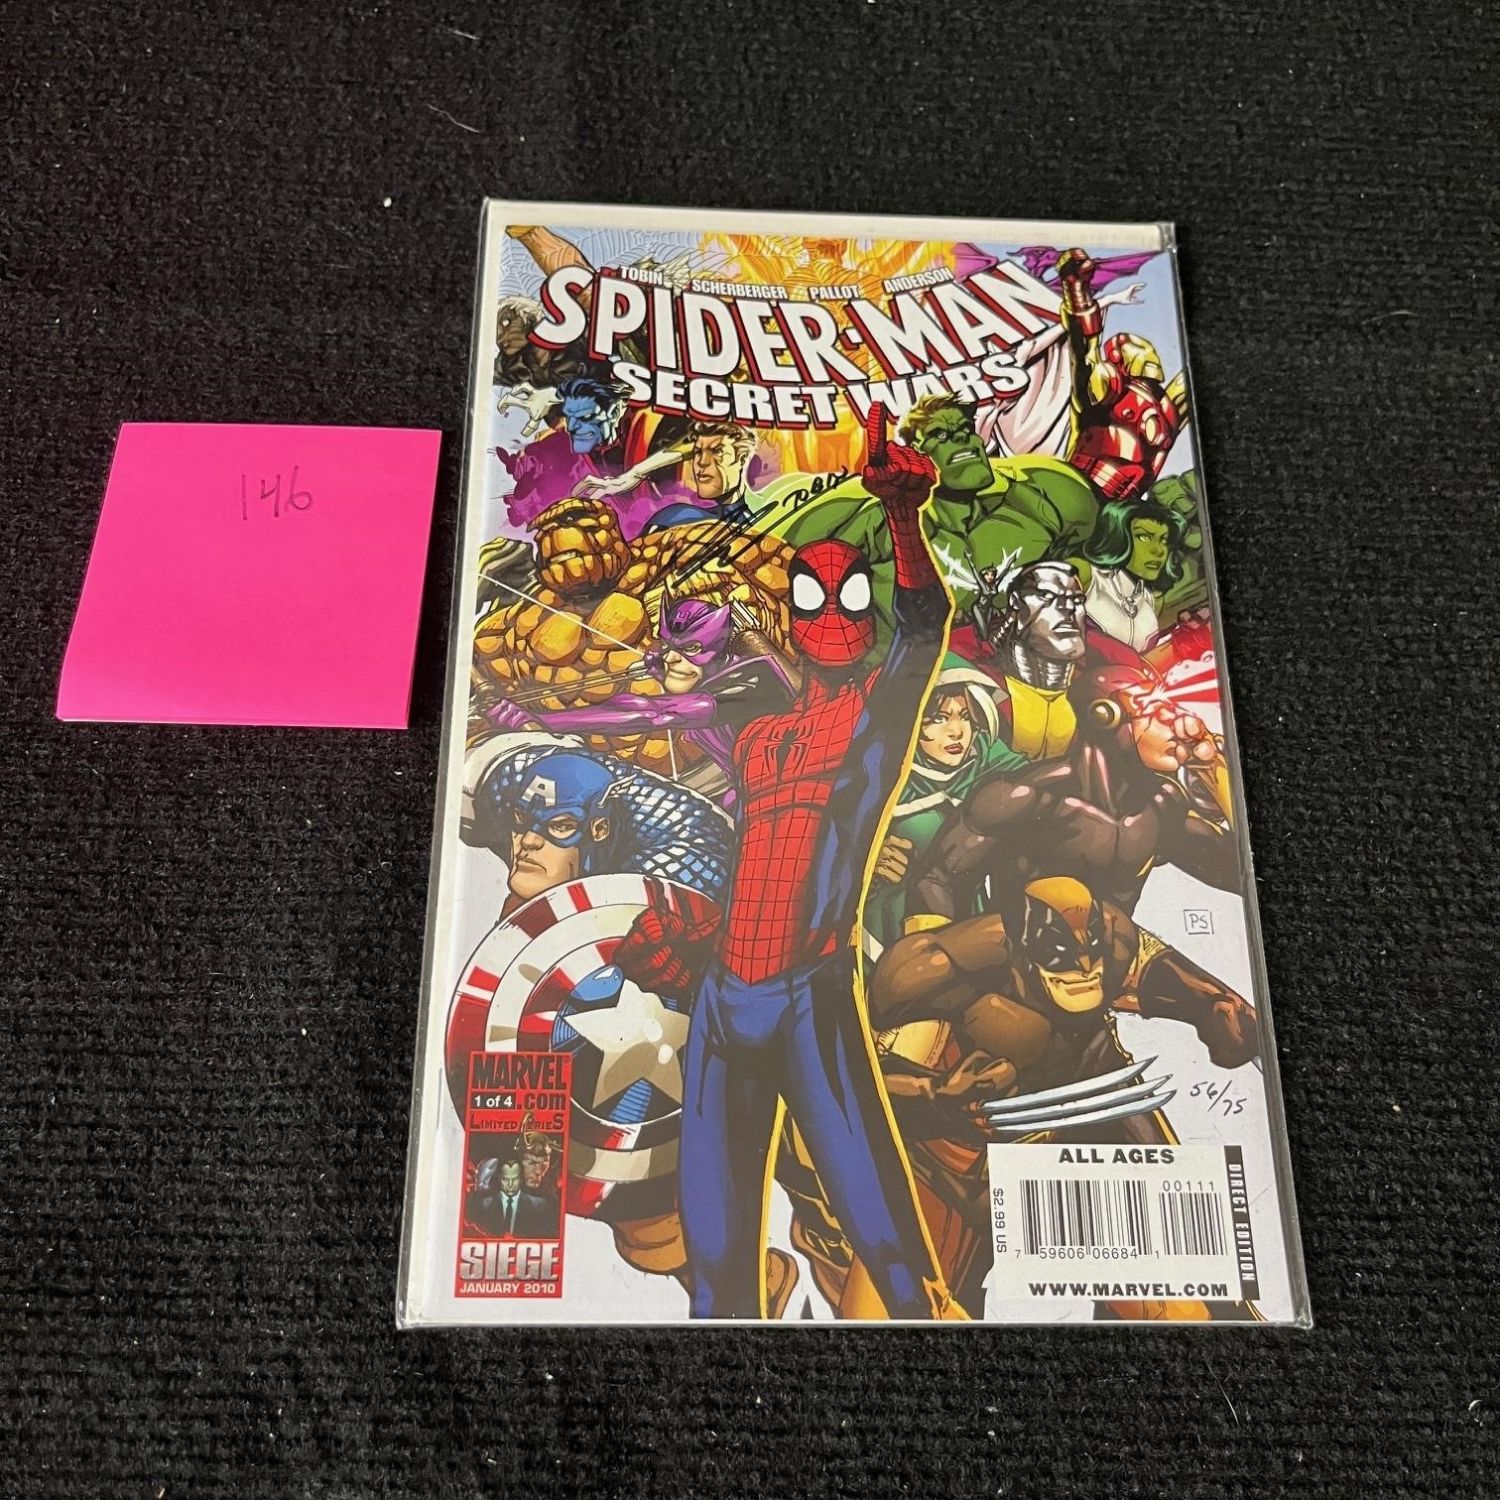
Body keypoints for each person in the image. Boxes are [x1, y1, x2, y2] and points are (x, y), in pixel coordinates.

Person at [614, 404, 965, 1321]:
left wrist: (902, 517)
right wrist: (698, 935)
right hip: (727, 995)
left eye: (849, 598)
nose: (833, 617)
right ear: (789, 611)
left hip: (811, 988)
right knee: (716, 1233)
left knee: (873, 1212)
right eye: (814, 597)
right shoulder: (760, 733)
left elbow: (922, 631)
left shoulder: (871, 721)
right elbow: (752, 854)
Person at [866, 874, 1260, 1320]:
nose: (1083, 971)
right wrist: (933, 1092)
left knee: (1194, 1271)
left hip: (1096, 1093)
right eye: (1062, 959)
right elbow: (852, 1062)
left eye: (1090, 957)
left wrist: (1215, 1004)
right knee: (933, 1299)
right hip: (983, 1131)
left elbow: (1159, 972)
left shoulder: (1114, 938)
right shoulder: (939, 967)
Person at [485, 596, 798, 811]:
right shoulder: (708, 677)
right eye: (669, 647)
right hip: (747, 794)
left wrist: (541, 722)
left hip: (786, 796)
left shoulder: (753, 679)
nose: (672, 658)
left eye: (691, 648)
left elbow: (651, 713)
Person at [863, 660, 1026, 953]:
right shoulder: (877, 775)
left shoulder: (991, 760)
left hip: (972, 920)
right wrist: (865, 859)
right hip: (893, 926)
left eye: (965, 716)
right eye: (938, 718)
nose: (956, 732)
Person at [1056, 248, 1191, 505]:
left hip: (1120, 511)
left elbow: (1189, 382)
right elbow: (1085, 351)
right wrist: (1076, 290)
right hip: (1079, 495)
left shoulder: (1166, 408)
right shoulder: (1111, 389)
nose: (1140, 347)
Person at [1078, 495, 1193, 652]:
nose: (1158, 551)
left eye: (1164, 541)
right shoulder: (1086, 573)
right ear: (1118, 537)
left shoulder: (1150, 599)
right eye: (1144, 537)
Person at [467, 1156, 558, 1239]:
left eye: (514, 1179)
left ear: (521, 1179)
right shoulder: (484, 1205)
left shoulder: (541, 1206)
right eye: (506, 1179)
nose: (510, 1185)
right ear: (500, 1179)